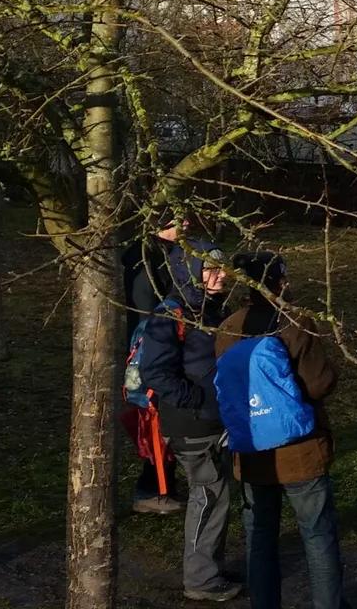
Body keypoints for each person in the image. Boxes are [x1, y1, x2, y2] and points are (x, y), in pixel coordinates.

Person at [216, 251, 345, 609]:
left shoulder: (228, 328)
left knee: (261, 540)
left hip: (252, 451)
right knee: (317, 536)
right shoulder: (296, 322)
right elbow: (318, 384)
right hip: (300, 452)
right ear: (280, 282)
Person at [142, 245, 240, 603]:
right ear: (190, 272)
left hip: (212, 421)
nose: (222, 275)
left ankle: (208, 568)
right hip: (191, 426)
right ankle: (200, 578)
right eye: (211, 269)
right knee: (210, 496)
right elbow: (156, 372)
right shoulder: (171, 313)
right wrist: (198, 402)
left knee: (215, 496)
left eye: (223, 268)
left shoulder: (211, 309)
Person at [121, 212, 208, 514]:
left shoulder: (164, 253)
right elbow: (147, 310)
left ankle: (161, 485)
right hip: (151, 348)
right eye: (177, 222)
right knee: (155, 421)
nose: (185, 226)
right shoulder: (144, 258)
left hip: (160, 343)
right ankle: (152, 489)